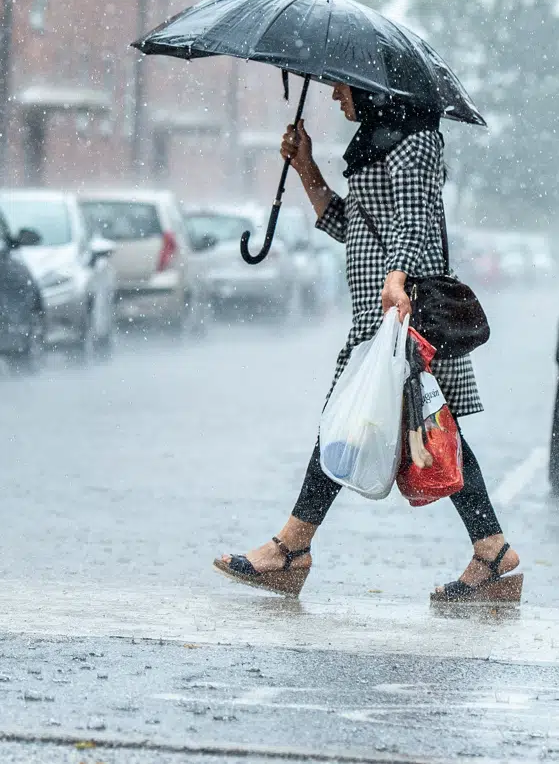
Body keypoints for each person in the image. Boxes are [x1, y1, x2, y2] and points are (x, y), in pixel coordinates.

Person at [214, 82, 522, 603]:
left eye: (342, 86)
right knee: (427, 432)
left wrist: (397, 277)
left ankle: (292, 548)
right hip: (377, 319)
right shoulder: (376, 141)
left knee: (356, 424)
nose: (336, 94)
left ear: (375, 88)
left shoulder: (417, 138)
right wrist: (305, 166)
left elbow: (415, 219)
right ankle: (491, 551)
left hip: (405, 318)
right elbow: (349, 224)